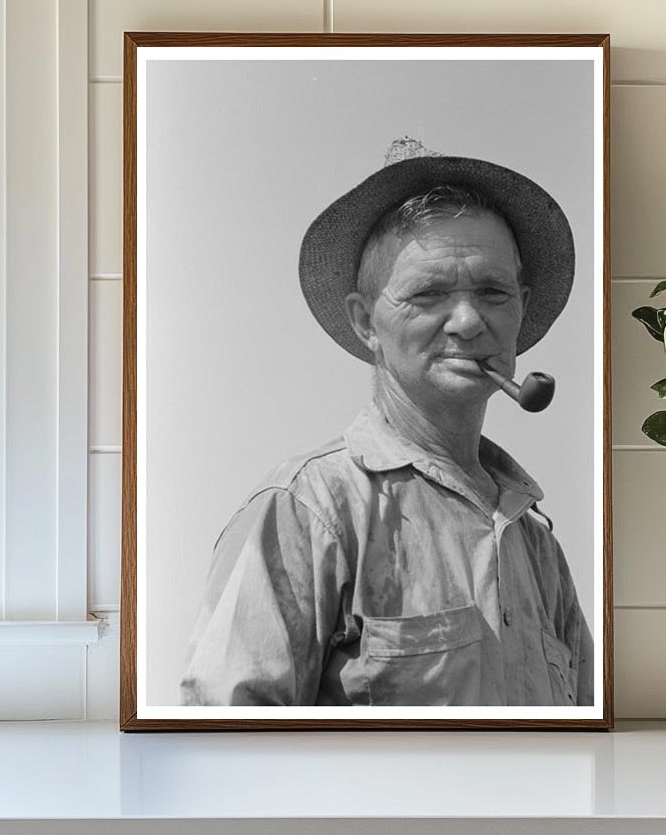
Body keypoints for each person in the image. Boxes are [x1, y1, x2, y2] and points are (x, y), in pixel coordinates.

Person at [179, 137, 593, 706]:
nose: (469, 321)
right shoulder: (305, 511)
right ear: (366, 322)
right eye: (428, 293)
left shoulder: (535, 544)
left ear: (520, 308)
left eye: (493, 292)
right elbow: (224, 755)